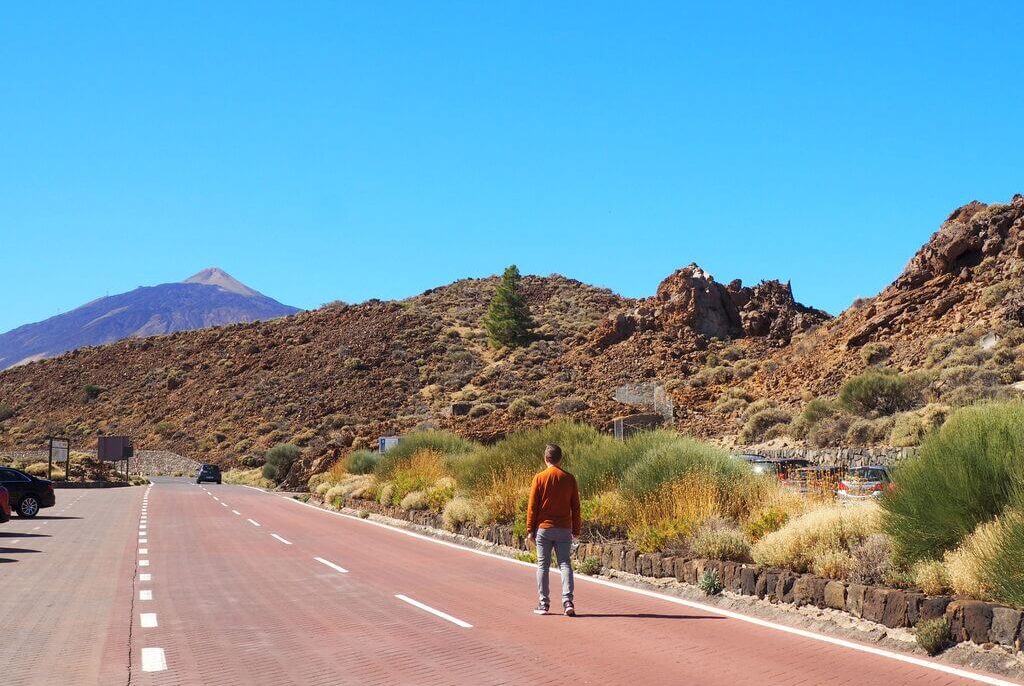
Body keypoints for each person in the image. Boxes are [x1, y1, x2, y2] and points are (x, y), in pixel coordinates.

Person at [526, 443, 581, 616]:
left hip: (544, 528)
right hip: (564, 528)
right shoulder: (569, 478)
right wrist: (576, 530)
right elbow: (576, 507)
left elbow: (532, 506)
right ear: (560, 459)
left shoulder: (539, 478)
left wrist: (529, 529)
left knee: (543, 565)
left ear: (546, 459)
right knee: (565, 564)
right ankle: (568, 601)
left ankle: (544, 604)